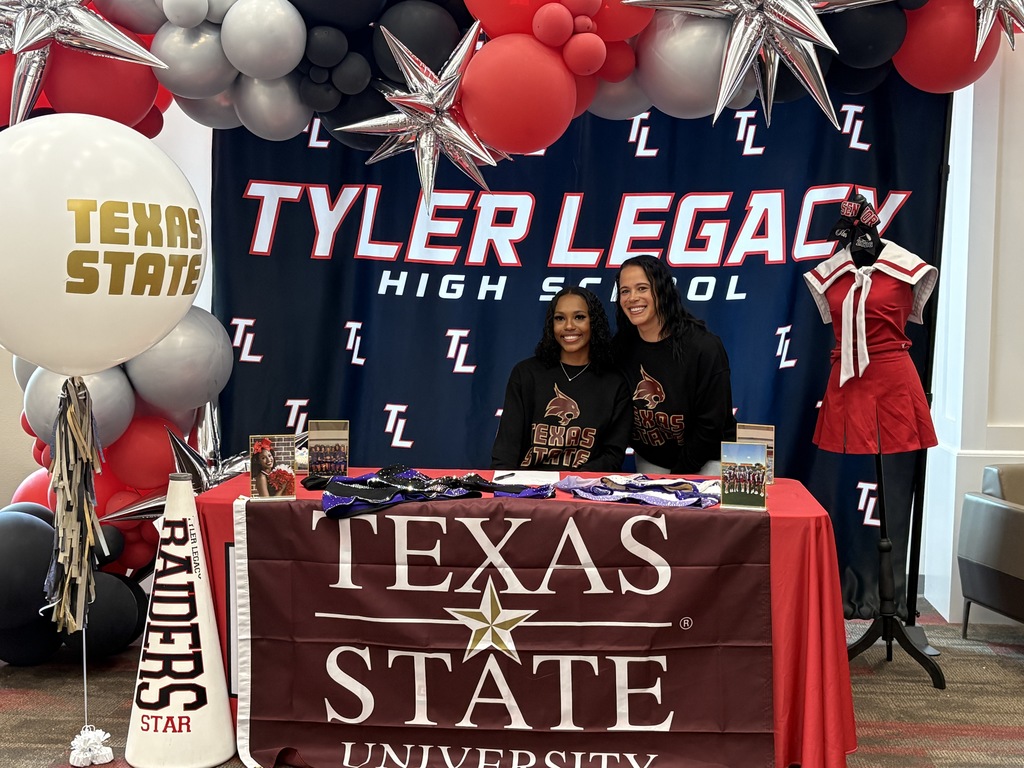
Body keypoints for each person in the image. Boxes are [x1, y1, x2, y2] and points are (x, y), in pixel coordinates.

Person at [613, 255, 737, 475]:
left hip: (709, 459)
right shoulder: (621, 346)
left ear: (663, 290)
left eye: (642, 288)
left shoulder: (704, 347)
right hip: (654, 460)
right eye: (625, 291)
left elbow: (711, 425)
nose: (632, 298)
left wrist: (677, 477)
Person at [491, 286, 631, 471]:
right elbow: (506, 450)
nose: (569, 326)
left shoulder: (614, 383)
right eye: (560, 318)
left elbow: (612, 456)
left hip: (583, 490)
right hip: (529, 492)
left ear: (593, 323)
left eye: (579, 317)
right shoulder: (526, 373)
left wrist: (571, 484)